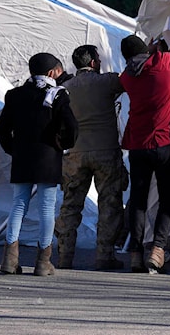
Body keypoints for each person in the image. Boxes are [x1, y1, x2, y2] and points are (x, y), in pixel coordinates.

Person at [119, 7, 170, 273]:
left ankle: (134, 253)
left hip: (137, 146)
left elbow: (135, 66)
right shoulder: (164, 63)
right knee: (168, 198)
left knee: (139, 200)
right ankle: (158, 248)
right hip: (164, 144)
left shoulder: (126, 77)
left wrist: (147, 52)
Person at [0, 53, 77, 276]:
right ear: (51, 73)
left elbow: (1, 127)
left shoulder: (15, 95)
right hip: (48, 158)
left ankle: (9, 261)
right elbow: (71, 127)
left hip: (22, 157)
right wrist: (62, 145)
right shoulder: (58, 96)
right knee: (46, 208)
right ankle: (43, 261)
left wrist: (12, 148)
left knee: (18, 204)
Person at [55, 44, 128, 270]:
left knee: (70, 205)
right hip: (106, 151)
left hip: (75, 153)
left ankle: (65, 256)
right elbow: (129, 79)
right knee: (109, 204)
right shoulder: (107, 81)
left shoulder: (65, 87)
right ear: (95, 63)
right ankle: (104, 256)